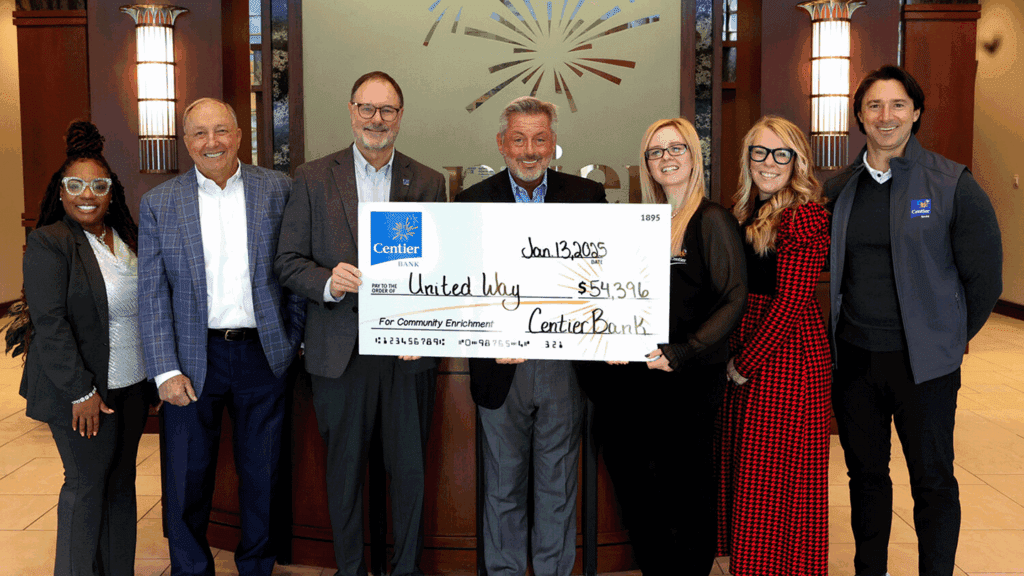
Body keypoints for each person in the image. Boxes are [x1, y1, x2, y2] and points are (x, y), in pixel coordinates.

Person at [826, 65, 1002, 576]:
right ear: (859, 115)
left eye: (898, 105)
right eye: (874, 106)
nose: (886, 116)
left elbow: (984, 281)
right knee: (866, 479)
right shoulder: (840, 190)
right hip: (856, 362)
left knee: (933, 480)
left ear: (916, 112)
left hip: (924, 369)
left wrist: (945, 341)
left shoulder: (952, 184)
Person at [274, 71, 445, 576]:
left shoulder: (429, 181)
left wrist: (425, 328)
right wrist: (328, 280)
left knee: (408, 474)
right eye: (367, 109)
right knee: (344, 475)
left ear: (400, 117)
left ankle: (405, 570)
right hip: (338, 350)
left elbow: (443, 269)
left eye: (387, 110)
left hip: (407, 353)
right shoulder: (310, 177)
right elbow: (287, 262)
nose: (376, 119)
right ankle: (349, 569)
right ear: (351, 111)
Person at [138, 98, 305, 576]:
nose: (211, 142)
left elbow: (293, 269)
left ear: (238, 134)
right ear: (185, 142)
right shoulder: (160, 203)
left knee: (263, 475)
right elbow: (152, 294)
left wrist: (290, 340)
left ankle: (257, 566)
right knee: (187, 477)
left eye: (220, 131)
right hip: (191, 359)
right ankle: (192, 569)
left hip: (262, 354)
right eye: (198, 133)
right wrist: (165, 370)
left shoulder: (277, 189)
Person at [580, 117, 746, 575]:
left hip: (689, 383)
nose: (667, 157)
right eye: (656, 151)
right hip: (641, 384)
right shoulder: (644, 221)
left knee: (686, 492)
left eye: (677, 148)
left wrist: (685, 350)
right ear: (646, 164)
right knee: (644, 494)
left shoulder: (711, 219)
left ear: (695, 156)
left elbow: (734, 298)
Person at [455, 96, 606, 576]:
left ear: (554, 144)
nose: (529, 150)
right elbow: (457, 288)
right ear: (501, 144)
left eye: (540, 138)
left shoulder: (588, 197)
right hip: (501, 369)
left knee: (557, 486)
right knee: (502, 487)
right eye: (518, 139)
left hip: (564, 367)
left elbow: (604, 277)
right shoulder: (469, 204)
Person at [19, 121, 154, 576]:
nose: (87, 194)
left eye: (98, 185)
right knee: (84, 485)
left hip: (130, 387)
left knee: (120, 485)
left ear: (111, 191)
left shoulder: (127, 241)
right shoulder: (49, 243)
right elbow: (50, 324)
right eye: (75, 185)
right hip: (82, 393)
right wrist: (81, 392)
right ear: (60, 192)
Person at [715, 115, 832, 575]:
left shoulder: (804, 214)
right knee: (754, 474)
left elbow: (791, 303)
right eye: (760, 152)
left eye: (781, 153)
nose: (769, 162)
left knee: (776, 479)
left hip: (786, 353)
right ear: (748, 158)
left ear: (797, 160)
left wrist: (745, 362)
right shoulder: (745, 209)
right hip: (753, 342)